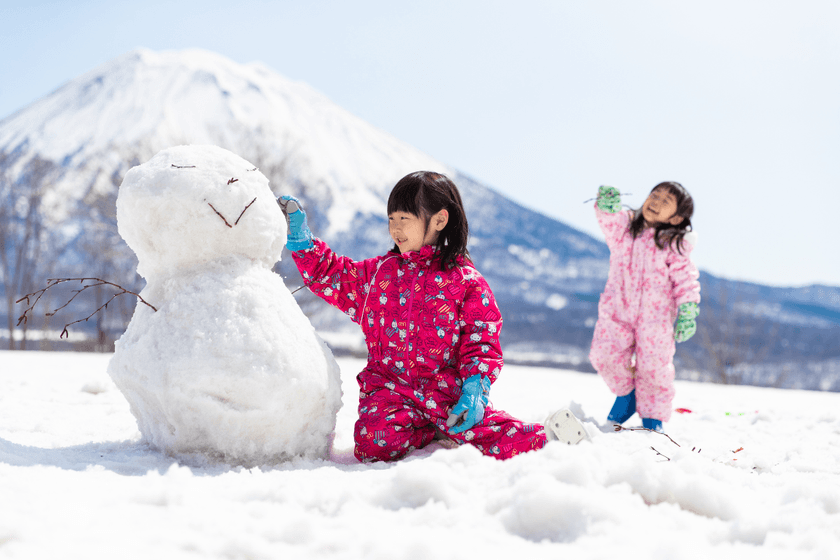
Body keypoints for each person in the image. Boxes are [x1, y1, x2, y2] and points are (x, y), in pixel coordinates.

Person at [279, 171, 587, 463]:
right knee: (374, 446)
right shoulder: (379, 275)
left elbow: (481, 340)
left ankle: (550, 438)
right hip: (389, 388)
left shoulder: (466, 281)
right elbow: (334, 276)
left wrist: (475, 387)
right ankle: (427, 430)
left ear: (439, 220)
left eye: (405, 219)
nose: (395, 228)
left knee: (485, 434)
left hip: (444, 390)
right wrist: (303, 242)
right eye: (391, 219)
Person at [590, 182, 701, 432]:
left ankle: (652, 420)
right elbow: (610, 221)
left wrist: (687, 310)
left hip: (656, 319)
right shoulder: (625, 229)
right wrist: (607, 207)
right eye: (655, 195)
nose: (656, 202)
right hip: (616, 311)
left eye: (665, 202)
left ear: (676, 218)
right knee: (604, 356)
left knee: (654, 369)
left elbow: (685, 279)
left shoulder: (674, 244)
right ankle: (627, 394)